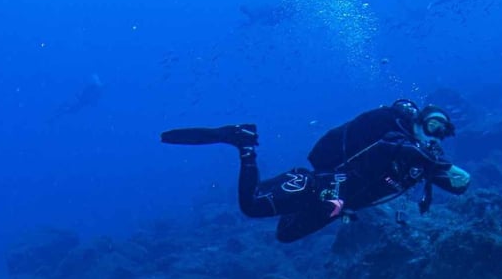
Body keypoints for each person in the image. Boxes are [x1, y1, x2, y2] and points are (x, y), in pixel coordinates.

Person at [161, 100, 469, 243]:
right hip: (320, 184)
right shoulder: (397, 139)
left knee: (286, 234)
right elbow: (392, 148)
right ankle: (243, 143)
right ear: (420, 119)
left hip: (334, 205)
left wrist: (453, 179)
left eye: (442, 132)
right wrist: (439, 165)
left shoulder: (418, 159)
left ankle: (285, 192)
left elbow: (455, 185)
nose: (435, 134)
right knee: (251, 206)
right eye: (433, 125)